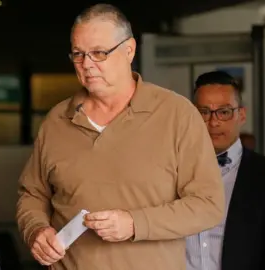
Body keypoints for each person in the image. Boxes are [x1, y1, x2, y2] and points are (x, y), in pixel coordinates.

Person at [16, 4, 225, 270]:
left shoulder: (177, 115)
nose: (87, 64)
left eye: (99, 53)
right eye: (78, 54)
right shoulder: (57, 121)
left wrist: (135, 224)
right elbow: (32, 194)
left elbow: (208, 205)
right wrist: (36, 230)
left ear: (129, 50)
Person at [187, 70, 265, 270]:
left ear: (241, 115)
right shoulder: (170, 172)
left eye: (224, 112)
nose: (213, 122)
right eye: (204, 112)